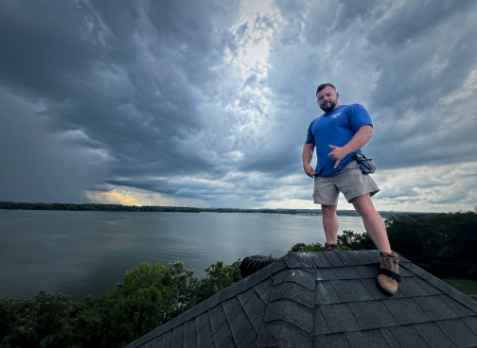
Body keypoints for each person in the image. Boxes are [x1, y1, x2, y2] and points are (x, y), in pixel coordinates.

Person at [302, 83, 401, 296]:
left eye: (328, 95)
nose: (325, 99)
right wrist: (306, 164)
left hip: (349, 165)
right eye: (320, 98)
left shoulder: (352, 109)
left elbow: (367, 131)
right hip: (323, 172)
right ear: (317, 102)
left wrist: (345, 150)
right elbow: (309, 146)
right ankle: (331, 246)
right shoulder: (314, 123)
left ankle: (388, 258)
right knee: (327, 209)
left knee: (364, 207)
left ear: (336, 95)